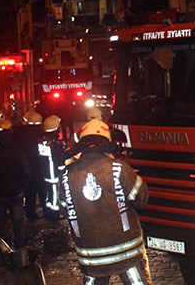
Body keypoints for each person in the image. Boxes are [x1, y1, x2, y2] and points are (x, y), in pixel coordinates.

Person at [59, 119, 152, 284]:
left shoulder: (66, 175)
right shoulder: (119, 168)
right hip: (127, 253)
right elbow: (140, 199)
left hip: (91, 256)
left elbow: (65, 209)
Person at [0, 120, 31, 249]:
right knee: (18, 221)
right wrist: (22, 186)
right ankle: (19, 247)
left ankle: (3, 247)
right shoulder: (18, 154)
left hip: (0, 194)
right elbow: (27, 172)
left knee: (0, 221)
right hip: (16, 192)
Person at [13, 111, 46, 221]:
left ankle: (30, 213)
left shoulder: (20, 132)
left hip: (24, 165)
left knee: (30, 191)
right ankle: (45, 210)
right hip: (37, 165)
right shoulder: (39, 134)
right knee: (42, 189)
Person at [39, 115, 67, 222]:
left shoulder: (42, 141)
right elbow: (58, 159)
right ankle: (55, 214)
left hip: (46, 173)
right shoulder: (55, 143)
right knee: (55, 194)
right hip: (54, 174)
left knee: (50, 194)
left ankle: (49, 211)